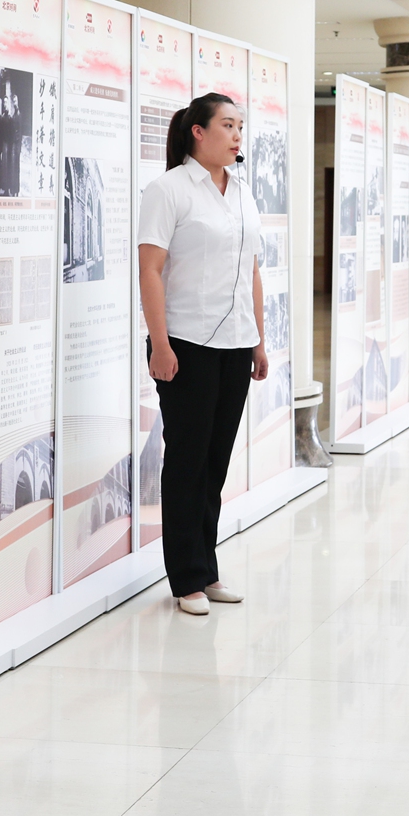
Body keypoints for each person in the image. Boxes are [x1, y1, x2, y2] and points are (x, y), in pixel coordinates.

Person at [136, 92, 269, 616]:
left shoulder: (242, 192)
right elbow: (150, 270)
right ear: (199, 131)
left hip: (236, 342)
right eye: (228, 125)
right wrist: (160, 343)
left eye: (240, 127)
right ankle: (186, 578)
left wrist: (258, 340)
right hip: (186, 343)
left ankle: (206, 569)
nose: (237, 136)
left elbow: (251, 270)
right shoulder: (169, 189)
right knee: (187, 462)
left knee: (215, 463)